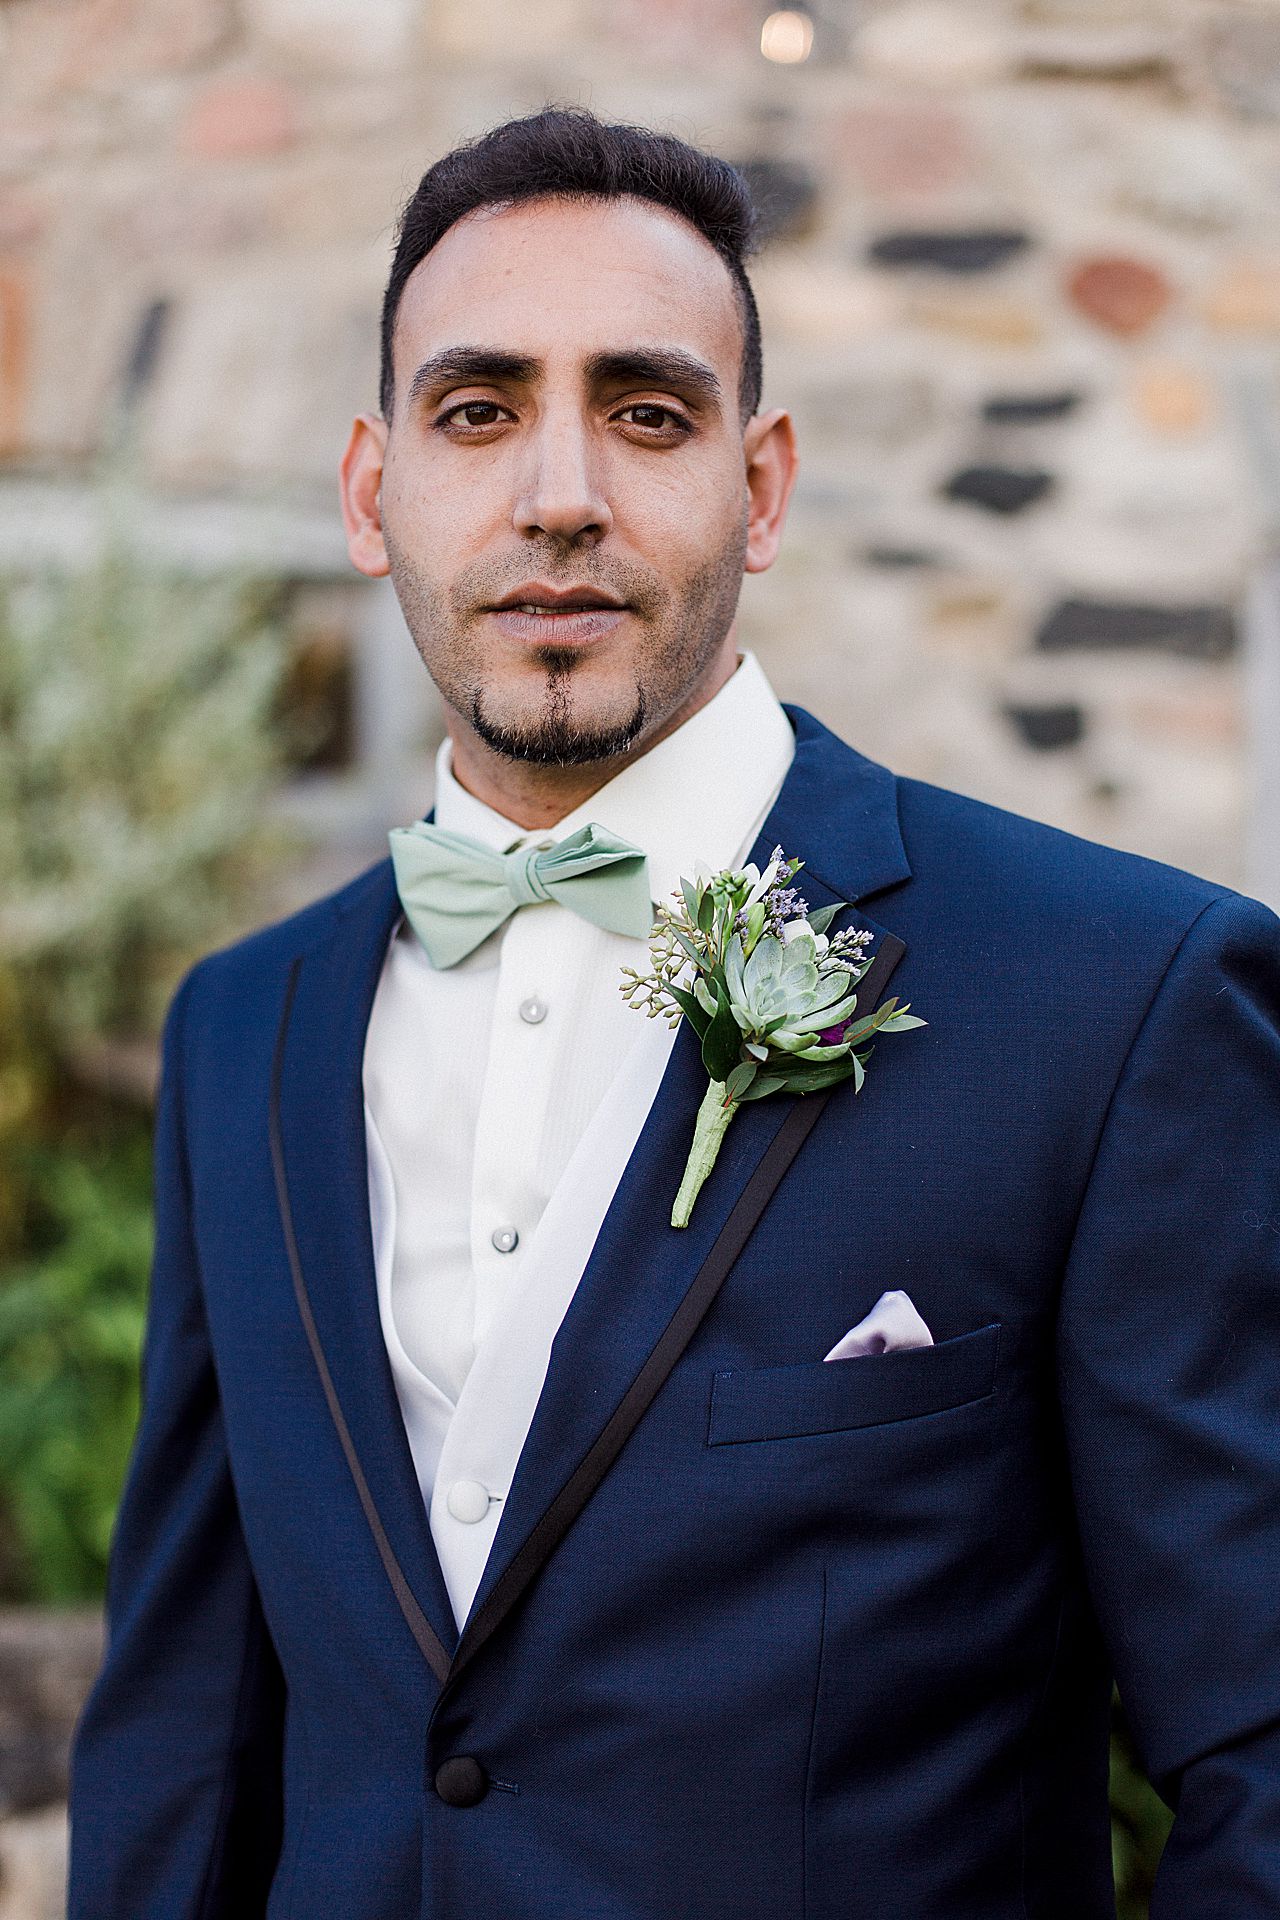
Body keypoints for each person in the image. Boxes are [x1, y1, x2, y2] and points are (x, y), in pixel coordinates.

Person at [68, 108, 1280, 1919]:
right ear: (368, 487)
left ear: (763, 485)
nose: (561, 490)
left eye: (646, 412)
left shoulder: (1117, 1000)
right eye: (478, 411)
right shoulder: (245, 1032)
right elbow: (185, 1742)